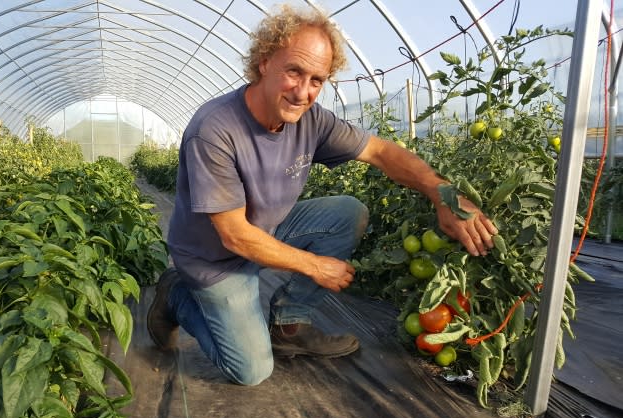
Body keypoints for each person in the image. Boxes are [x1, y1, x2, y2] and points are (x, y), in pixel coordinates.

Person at [147, 3, 497, 386]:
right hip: (215, 258)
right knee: (251, 371)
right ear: (264, 63)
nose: (303, 92)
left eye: (317, 79)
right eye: (293, 71)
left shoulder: (312, 120)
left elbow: (382, 152)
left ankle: (290, 325)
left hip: (266, 230)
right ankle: (175, 296)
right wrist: (315, 265)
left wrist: (442, 194)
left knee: (347, 212)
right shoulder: (216, 130)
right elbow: (234, 235)